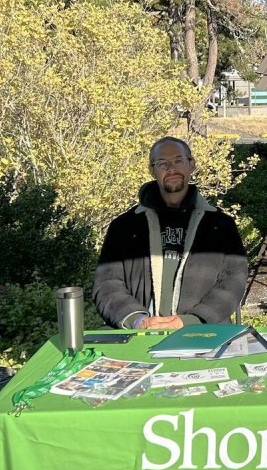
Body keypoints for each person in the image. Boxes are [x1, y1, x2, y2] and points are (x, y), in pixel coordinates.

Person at [93, 137, 248, 330]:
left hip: (204, 334)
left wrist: (191, 321)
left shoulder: (221, 225)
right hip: (141, 338)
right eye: (162, 163)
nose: (171, 168)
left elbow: (234, 281)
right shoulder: (124, 227)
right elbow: (107, 283)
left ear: (191, 165)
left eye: (178, 161)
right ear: (152, 170)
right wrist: (138, 321)